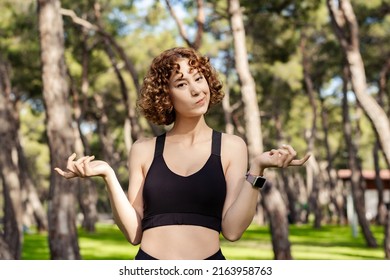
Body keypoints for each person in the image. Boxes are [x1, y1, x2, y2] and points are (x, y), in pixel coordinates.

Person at [55, 47, 310, 260]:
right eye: (181, 83)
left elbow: (232, 231)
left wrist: (257, 170)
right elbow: (134, 233)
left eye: (199, 78)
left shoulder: (232, 146)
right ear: (166, 96)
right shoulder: (143, 150)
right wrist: (109, 176)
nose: (197, 90)